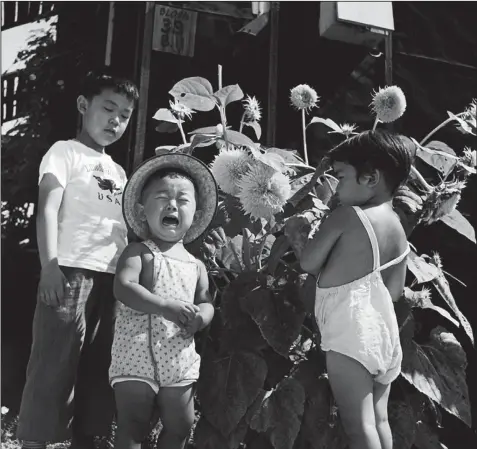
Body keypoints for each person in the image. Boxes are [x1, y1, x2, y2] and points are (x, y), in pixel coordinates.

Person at [17, 71, 139, 449]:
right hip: (69, 270)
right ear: (84, 105)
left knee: (100, 367)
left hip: (112, 278)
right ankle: (34, 441)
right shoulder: (63, 152)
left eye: (124, 114)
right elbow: (48, 210)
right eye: (108, 108)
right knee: (53, 362)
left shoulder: (119, 172)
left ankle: (87, 440)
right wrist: (50, 265)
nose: (115, 120)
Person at [300, 130, 414, 449]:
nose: (336, 186)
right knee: (378, 420)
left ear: (371, 177)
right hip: (385, 336)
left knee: (357, 426)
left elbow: (309, 262)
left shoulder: (348, 216)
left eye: (340, 176)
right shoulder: (398, 229)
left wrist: (300, 234)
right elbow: (393, 292)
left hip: (351, 336)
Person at [110, 153, 218, 449]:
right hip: (135, 356)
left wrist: (201, 318)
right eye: (162, 197)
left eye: (183, 200)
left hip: (179, 359)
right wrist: (163, 306)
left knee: (182, 424)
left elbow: (205, 301)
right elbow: (123, 288)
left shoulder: (196, 265)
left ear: (195, 215)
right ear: (143, 211)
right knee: (132, 425)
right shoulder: (138, 252)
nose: (173, 204)